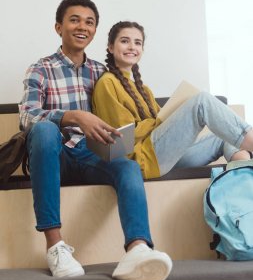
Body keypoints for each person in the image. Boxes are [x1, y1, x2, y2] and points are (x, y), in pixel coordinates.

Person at [19, 0, 172, 280]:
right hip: (53, 155)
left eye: (89, 22)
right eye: (74, 20)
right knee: (43, 131)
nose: (82, 27)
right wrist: (75, 116)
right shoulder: (41, 68)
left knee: (127, 168)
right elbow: (27, 117)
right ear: (58, 27)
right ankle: (55, 246)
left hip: (91, 154)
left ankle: (137, 249)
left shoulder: (102, 73)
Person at [92, 21, 253, 179]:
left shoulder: (143, 89)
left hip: (163, 155)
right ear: (111, 47)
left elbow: (161, 124)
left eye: (138, 43)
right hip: (141, 160)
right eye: (124, 41)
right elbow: (121, 137)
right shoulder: (107, 83)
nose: (132, 47)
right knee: (202, 101)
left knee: (225, 135)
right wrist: (160, 121)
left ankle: (245, 181)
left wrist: (169, 117)